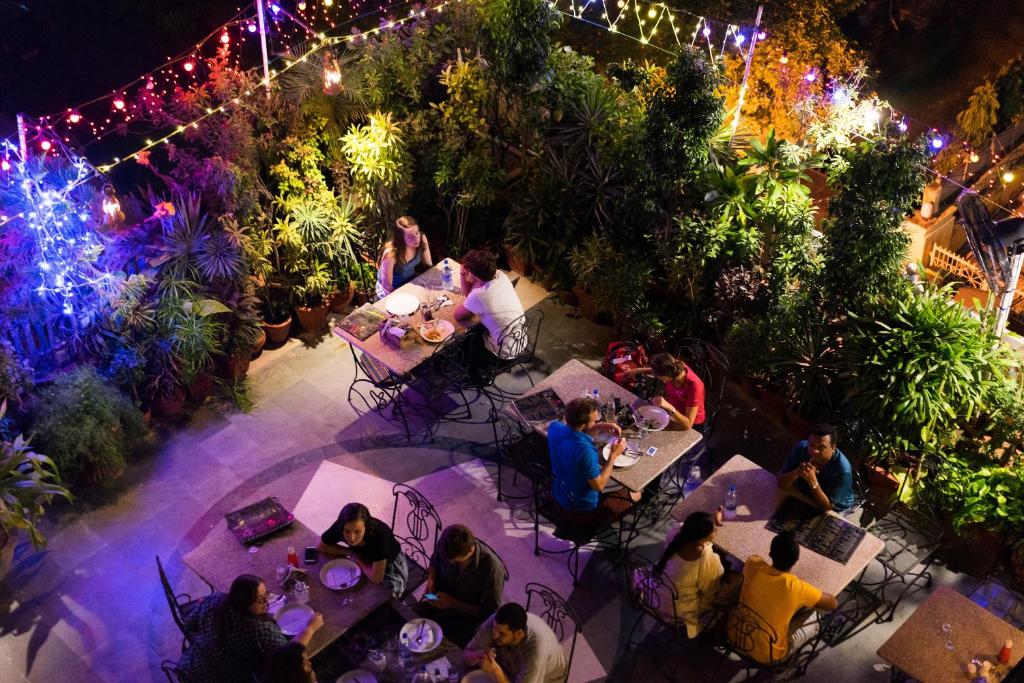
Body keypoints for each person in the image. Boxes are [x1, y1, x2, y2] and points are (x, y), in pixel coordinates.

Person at [179, 574, 324, 683]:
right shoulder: (261, 630)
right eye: (260, 600)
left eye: (266, 594)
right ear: (244, 603)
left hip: (188, 668)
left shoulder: (215, 599)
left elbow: (189, 624)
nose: (266, 602)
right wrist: (310, 629)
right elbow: (288, 657)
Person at [730, 532, 838, 666]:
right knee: (815, 615)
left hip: (735, 634)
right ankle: (785, 664)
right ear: (796, 560)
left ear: (770, 554)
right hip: (769, 655)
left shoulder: (754, 566)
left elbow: (754, 557)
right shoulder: (797, 587)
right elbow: (832, 604)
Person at [547, 396, 639, 527]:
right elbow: (599, 485)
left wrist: (600, 426)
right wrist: (613, 455)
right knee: (637, 493)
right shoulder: (585, 451)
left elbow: (573, 434)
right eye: (595, 420)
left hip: (559, 492)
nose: (597, 421)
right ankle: (593, 526)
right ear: (583, 425)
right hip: (581, 509)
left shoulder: (554, 427)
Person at [414, 524, 506, 647]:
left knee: (438, 647)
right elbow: (434, 563)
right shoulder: (444, 544)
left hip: (464, 618)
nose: (450, 562)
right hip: (439, 601)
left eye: (456, 561)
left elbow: (490, 612)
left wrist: (453, 603)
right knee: (408, 620)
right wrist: (431, 581)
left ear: (471, 550)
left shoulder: (491, 568)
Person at [656, 509, 733, 638]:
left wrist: (713, 522)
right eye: (713, 530)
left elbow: (687, 527)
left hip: (658, 596)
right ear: (703, 538)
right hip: (677, 610)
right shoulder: (707, 560)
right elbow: (710, 591)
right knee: (730, 587)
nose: (715, 531)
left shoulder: (675, 534)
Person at [318, 502, 409, 597]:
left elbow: (376, 578)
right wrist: (349, 552)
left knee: (380, 597)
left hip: (389, 564)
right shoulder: (340, 527)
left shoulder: (380, 536)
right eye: (347, 531)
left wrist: (357, 559)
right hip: (363, 557)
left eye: (357, 532)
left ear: (366, 527)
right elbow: (321, 547)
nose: (352, 538)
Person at [463, 602, 568, 683]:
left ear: (519, 634)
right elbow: (466, 655)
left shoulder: (535, 651)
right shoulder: (495, 622)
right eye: (494, 630)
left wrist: (495, 670)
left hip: (547, 678)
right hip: (511, 666)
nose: (494, 636)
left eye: (502, 634)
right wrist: (476, 655)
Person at [453, 249, 525, 361]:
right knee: (478, 321)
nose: (465, 273)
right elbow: (470, 294)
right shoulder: (500, 275)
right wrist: (466, 273)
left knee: (467, 331)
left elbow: (457, 315)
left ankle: (469, 362)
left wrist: (462, 274)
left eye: (467, 272)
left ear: (475, 275)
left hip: (501, 355)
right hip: (520, 341)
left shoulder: (480, 294)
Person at [776, 423, 855, 512]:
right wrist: (797, 472)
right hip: (807, 494)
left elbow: (826, 507)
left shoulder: (843, 471)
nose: (814, 451)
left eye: (821, 447)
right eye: (812, 445)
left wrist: (813, 481)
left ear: (833, 447)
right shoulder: (801, 448)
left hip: (837, 506)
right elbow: (781, 483)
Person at [623, 352, 706, 432]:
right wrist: (635, 371)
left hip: (691, 426)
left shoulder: (694, 386)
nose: (655, 376)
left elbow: (688, 425)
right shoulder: (673, 368)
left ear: (665, 377)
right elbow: (655, 370)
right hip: (672, 414)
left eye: (658, 376)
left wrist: (669, 407)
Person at [375, 216, 433, 299]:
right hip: (391, 289)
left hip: (410, 280)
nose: (416, 238)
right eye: (411, 237)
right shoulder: (391, 254)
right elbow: (387, 286)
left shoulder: (422, 239)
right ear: (401, 239)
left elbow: (429, 266)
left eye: (417, 233)